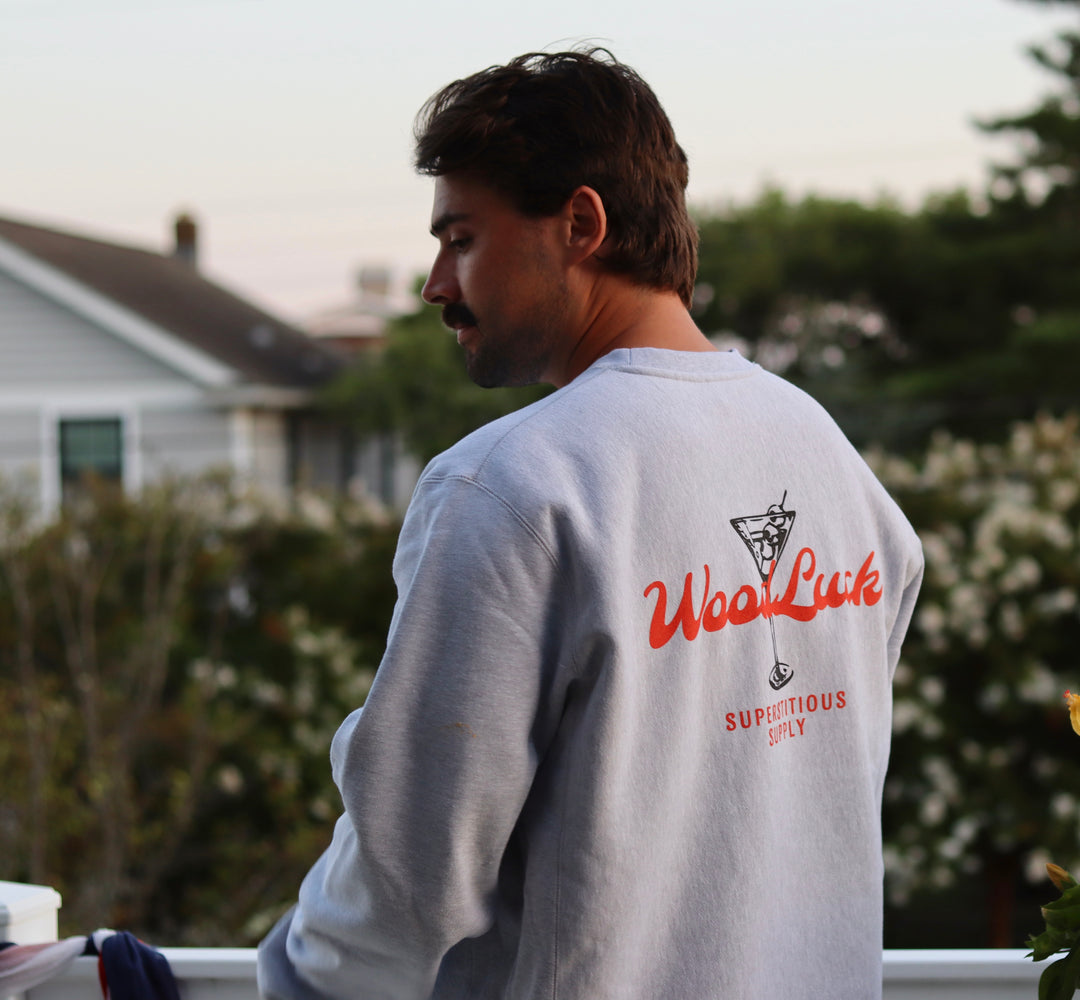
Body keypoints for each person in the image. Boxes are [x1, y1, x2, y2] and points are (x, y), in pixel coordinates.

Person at [257, 49, 924, 1000]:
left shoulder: (513, 488)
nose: (436, 285)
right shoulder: (827, 460)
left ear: (580, 224)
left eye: (462, 239)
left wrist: (297, 979)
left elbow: (409, 878)